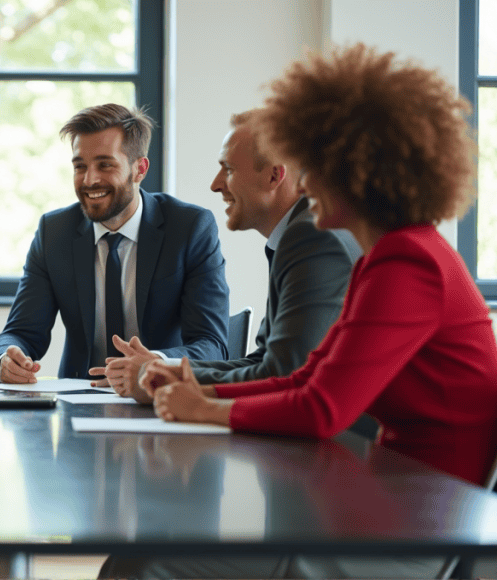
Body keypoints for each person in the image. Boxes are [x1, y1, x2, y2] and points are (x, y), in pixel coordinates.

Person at [110, 44, 497, 579]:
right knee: (136, 561)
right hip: (389, 496)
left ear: (357, 173)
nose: (303, 182)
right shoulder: (386, 258)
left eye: (315, 166)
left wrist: (204, 407)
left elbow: (322, 409)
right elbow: (308, 376)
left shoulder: (410, 262)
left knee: (148, 568)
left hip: (421, 520)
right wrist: (203, 393)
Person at [100, 110, 360, 404]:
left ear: (274, 175)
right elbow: (264, 361)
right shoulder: (302, 233)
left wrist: (163, 379)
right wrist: (161, 370)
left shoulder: (311, 238)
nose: (215, 184)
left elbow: (284, 373)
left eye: (229, 169)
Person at [0, 103, 230, 383]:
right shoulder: (54, 233)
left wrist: (156, 362)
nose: (90, 180)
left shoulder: (190, 228)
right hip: (78, 398)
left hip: (160, 399)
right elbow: (22, 332)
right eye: (80, 166)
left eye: (105, 165)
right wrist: (5, 358)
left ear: (140, 169)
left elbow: (212, 345)